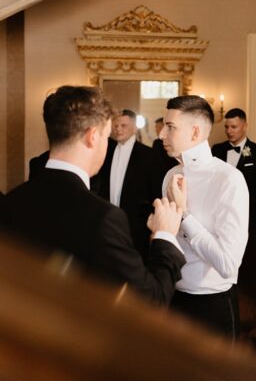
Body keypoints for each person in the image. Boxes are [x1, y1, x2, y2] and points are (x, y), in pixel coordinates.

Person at [0, 86, 185, 305]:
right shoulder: (104, 218)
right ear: (93, 137)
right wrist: (164, 236)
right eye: (107, 136)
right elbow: (151, 301)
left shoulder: (10, 202)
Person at [159, 95, 249, 338]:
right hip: (172, 299)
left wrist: (184, 215)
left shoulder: (229, 180)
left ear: (195, 132)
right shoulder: (170, 175)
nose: (161, 135)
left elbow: (228, 265)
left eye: (170, 127)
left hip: (212, 306)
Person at [109, 109, 164, 256]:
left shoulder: (149, 155)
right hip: (110, 222)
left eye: (123, 125)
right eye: (116, 126)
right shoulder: (107, 151)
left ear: (134, 128)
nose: (118, 129)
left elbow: (155, 192)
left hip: (137, 225)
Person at [211, 108, 256, 233]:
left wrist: (241, 202)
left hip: (248, 218)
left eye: (234, 127)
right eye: (226, 127)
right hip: (219, 217)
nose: (229, 131)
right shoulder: (217, 150)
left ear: (245, 126)